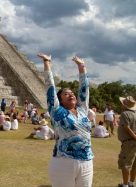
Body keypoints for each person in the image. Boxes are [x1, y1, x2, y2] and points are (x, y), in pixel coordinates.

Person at [38, 53, 94, 187]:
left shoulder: (82, 110)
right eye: (66, 94)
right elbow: (50, 87)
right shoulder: (57, 111)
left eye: (72, 93)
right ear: (60, 99)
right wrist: (47, 62)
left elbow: (84, 88)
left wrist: (81, 66)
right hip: (64, 162)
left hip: (86, 161)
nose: (71, 95)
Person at [117, 96, 136, 187]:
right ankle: (131, 183)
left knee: (125, 164)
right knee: (134, 164)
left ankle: (125, 185)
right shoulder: (135, 114)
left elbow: (126, 127)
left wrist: (135, 137)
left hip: (129, 142)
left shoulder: (125, 113)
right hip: (133, 142)